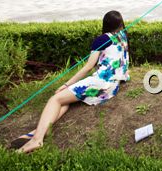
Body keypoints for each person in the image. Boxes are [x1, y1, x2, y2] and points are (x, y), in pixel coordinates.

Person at [14, 10, 130, 153]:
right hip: (113, 87)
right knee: (65, 100)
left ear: (105, 23)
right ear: (120, 23)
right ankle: (40, 130)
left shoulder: (101, 40)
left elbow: (88, 67)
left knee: (55, 99)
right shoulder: (123, 36)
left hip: (101, 83)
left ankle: (37, 140)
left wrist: (66, 84)